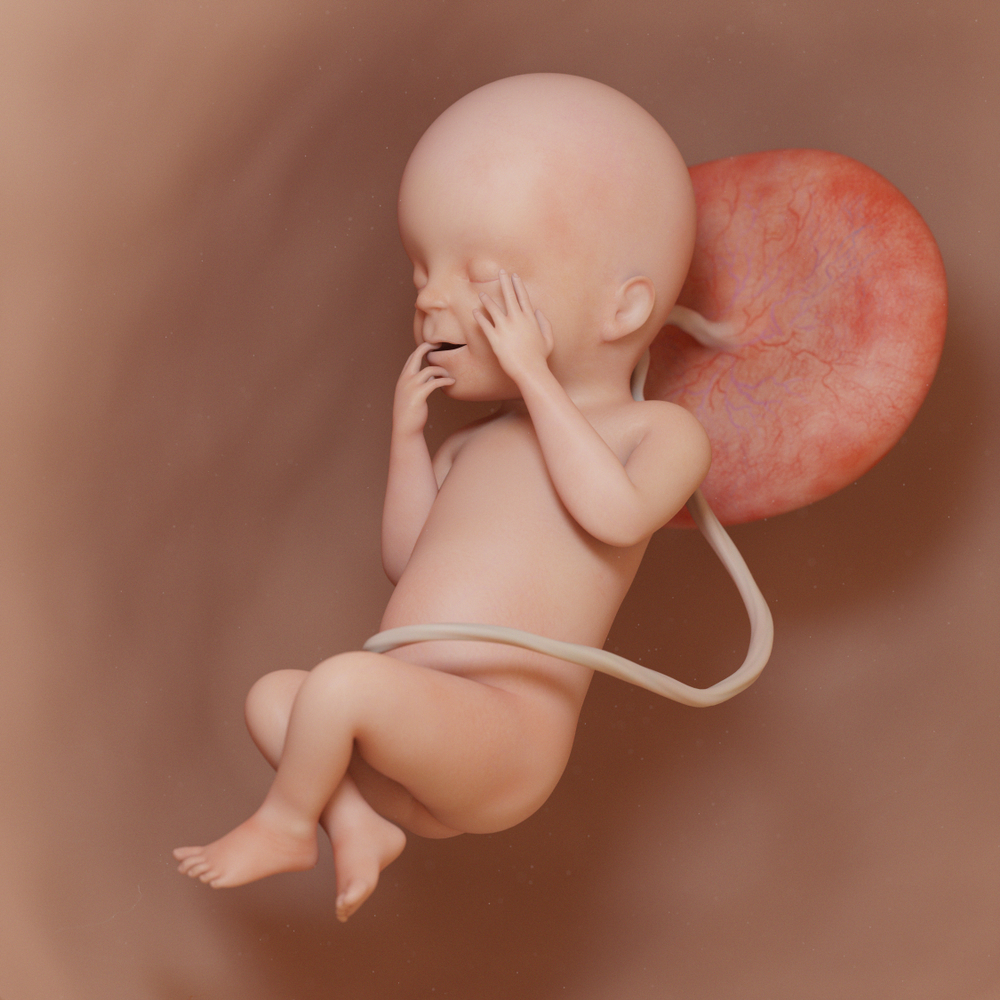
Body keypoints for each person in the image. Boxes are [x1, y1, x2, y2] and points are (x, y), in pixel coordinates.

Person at [174, 73, 710, 922]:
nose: (429, 298)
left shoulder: (655, 433)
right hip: (415, 731)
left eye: (482, 276)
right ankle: (358, 823)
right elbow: (410, 562)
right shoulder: (474, 444)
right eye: (423, 269)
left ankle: (286, 825)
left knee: (340, 688)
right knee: (277, 696)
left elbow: (613, 516)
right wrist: (407, 442)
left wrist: (535, 376)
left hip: (505, 737)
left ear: (625, 308)